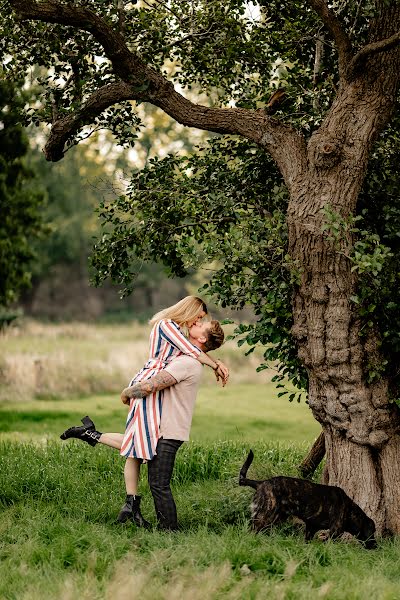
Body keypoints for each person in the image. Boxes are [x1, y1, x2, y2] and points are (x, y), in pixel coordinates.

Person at [61, 314, 227, 529]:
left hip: (169, 431)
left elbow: (150, 386)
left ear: (203, 339)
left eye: (202, 324)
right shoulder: (187, 358)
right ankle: (91, 434)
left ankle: (169, 529)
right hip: (164, 427)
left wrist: (126, 392)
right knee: (136, 448)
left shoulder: (186, 363)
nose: (196, 322)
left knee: (159, 484)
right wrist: (215, 363)